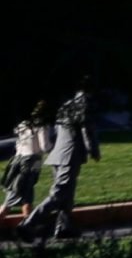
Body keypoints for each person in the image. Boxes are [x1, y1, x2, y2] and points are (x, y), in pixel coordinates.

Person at [19, 91, 96, 244]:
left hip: (58, 156)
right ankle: (27, 225)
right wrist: (93, 149)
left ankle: (63, 228)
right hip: (69, 156)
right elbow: (86, 129)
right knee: (59, 194)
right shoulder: (82, 104)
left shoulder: (65, 107)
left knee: (67, 193)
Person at [1, 108, 44, 219]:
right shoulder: (40, 124)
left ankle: (27, 226)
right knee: (11, 200)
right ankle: (27, 226)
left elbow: (19, 145)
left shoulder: (22, 124)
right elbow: (45, 146)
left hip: (19, 160)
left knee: (27, 198)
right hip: (31, 161)